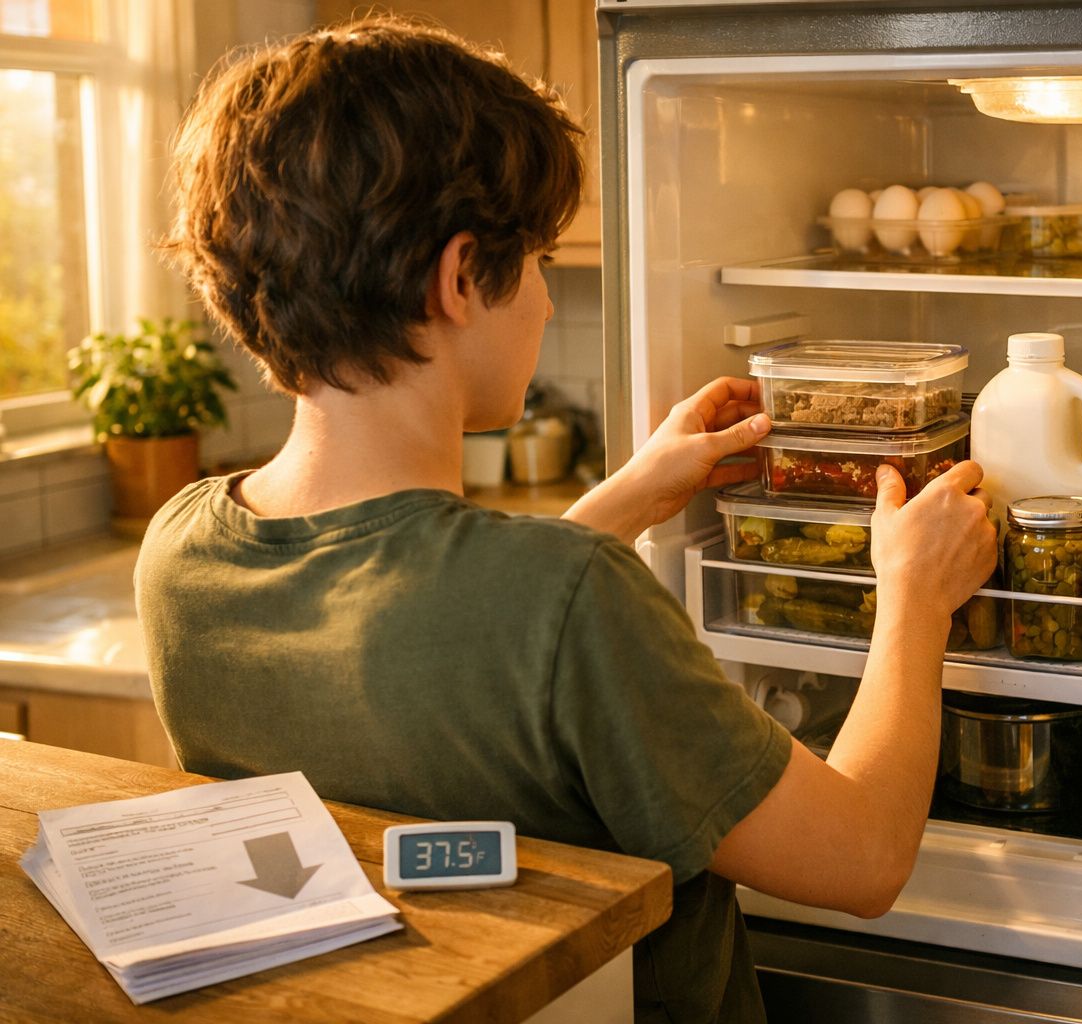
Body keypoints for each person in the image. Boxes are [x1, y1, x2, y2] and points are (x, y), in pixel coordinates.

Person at [138, 16, 996, 1024]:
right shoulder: (576, 602)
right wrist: (915, 594)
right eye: (536, 260)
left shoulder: (183, 552)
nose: (545, 301)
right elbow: (862, 857)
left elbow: (444, 635)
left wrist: (626, 497)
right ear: (460, 279)